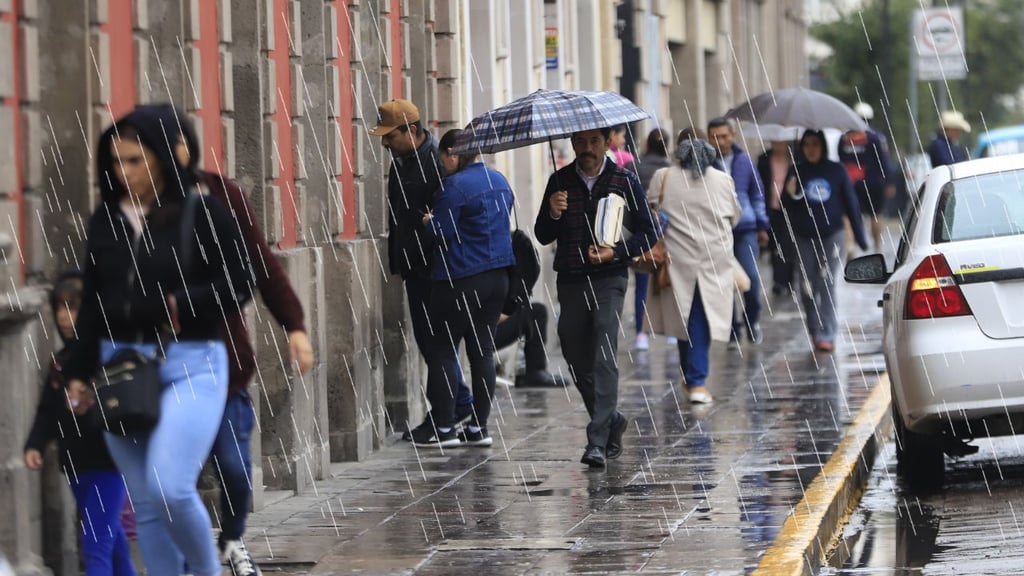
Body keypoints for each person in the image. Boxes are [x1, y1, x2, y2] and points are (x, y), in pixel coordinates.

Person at [64, 106, 253, 576]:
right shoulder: (106, 219)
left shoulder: (201, 210)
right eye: (116, 162)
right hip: (119, 367)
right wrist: (77, 372)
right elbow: (90, 302)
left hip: (192, 360)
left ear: (164, 158)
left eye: (135, 160)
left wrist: (176, 306)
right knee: (147, 506)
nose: (123, 172)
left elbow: (242, 280)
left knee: (170, 487)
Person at [162, 105, 314, 576]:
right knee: (176, 478)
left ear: (186, 149)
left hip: (220, 362)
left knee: (233, 467)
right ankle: (190, 556)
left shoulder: (220, 196)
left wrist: (294, 325)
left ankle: (231, 538)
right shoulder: (134, 209)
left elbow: (261, 265)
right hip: (163, 366)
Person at [534, 127, 659, 468]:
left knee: (604, 352)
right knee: (575, 356)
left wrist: (616, 252)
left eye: (594, 142)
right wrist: (553, 212)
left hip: (609, 279)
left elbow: (650, 231)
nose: (586, 148)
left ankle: (597, 441)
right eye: (580, 142)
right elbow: (542, 234)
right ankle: (611, 419)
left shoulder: (624, 180)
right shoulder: (559, 181)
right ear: (572, 144)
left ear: (607, 143)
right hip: (571, 279)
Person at [366, 99, 474, 440]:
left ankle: (450, 410)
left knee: (436, 345)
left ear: (412, 131)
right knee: (431, 345)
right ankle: (458, 404)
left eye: (390, 136)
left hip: (434, 269)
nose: (384, 143)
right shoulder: (402, 162)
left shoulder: (434, 163)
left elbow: (444, 220)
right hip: (415, 267)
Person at [23, 271, 137, 576]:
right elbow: (47, 409)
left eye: (72, 308)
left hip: (108, 463)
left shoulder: (105, 353)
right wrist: (35, 443)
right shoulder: (61, 361)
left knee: (95, 544)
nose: (64, 316)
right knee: (111, 542)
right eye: (60, 307)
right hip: (74, 465)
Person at [412, 128, 515, 448]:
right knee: (482, 350)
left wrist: (429, 223)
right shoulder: (500, 181)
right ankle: (479, 428)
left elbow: (440, 233)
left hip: (459, 278)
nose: (442, 166)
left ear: (453, 153)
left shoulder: (454, 186)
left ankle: (445, 428)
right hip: (498, 277)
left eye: (443, 159)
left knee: (442, 349)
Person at [645, 139, 740, 405]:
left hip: (678, 258)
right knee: (700, 318)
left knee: (685, 318)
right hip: (714, 259)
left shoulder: (663, 176)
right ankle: (695, 380)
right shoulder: (723, 180)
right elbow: (735, 216)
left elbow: (650, 208)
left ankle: (693, 378)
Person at [782, 129, 868, 353]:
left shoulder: (836, 170)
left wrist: (860, 237)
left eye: (815, 144)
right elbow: (786, 207)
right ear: (801, 147)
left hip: (832, 236)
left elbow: (851, 204)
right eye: (807, 145)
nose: (811, 149)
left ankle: (827, 332)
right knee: (807, 286)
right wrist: (790, 193)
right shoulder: (796, 171)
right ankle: (814, 329)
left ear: (822, 146)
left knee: (826, 282)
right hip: (804, 237)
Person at [707, 117, 769, 345]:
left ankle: (752, 320)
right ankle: (732, 327)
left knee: (750, 278)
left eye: (723, 136)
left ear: (732, 136)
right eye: (714, 137)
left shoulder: (744, 161)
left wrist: (762, 225)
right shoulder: (706, 163)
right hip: (716, 230)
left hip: (744, 229)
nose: (719, 141)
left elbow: (757, 194)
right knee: (724, 282)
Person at [625, 128, 673, 351]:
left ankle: (641, 334)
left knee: (642, 284)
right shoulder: (671, 170)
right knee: (668, 281)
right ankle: (671, 330)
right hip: (666, 232)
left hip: (640, 232)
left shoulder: (633, 167)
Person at [838, 102, 895, 252]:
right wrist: (888, 181)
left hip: (850, 184)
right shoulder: (876, 137)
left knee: (847, 215)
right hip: (873, 183)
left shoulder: (844, 138)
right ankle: (876, 246)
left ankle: (850, 245)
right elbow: (884, 160)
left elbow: (840, 160)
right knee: (875, 215)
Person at [757, 139, 799, 295]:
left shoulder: (795, 159)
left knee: (787, 246)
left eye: (780, 142)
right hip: (770, 208)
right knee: (774, 246)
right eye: (774, 142)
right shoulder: (764, 159)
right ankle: (778, 281)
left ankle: (788, 281)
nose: (777, 145)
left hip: (789, 209)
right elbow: (759, 183)